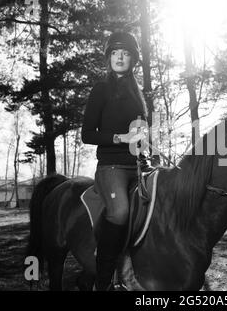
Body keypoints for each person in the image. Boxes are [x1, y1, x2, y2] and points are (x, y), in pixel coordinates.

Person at [81, 31, 148, 291]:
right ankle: (104, 280)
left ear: (133, 59)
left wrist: (144, 146)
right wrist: (121, 138)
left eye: (126, 53)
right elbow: (87, 135)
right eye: (116, 53)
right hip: (111, 167)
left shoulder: (137, 92)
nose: (120, 57)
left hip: (137, 165)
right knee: (120, 212)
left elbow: (140, 132)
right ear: (109, 58)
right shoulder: (101, 89)